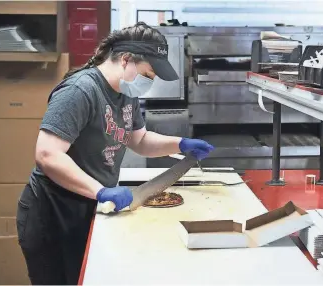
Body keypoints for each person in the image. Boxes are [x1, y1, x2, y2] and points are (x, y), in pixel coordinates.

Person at [16, 22, 214, 285]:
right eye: (148, 74)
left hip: (89, 206)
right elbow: (48, 155)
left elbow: (139, 140)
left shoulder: (125, 93)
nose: (149, 83)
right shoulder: (80, 91)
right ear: (126, 59)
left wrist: (181, 144)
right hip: (54, 212)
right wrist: (100, 190)